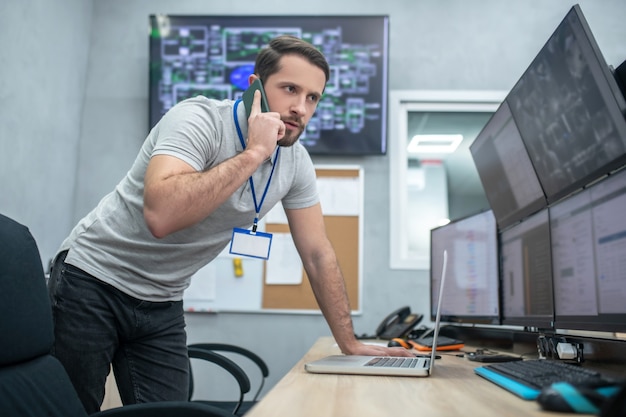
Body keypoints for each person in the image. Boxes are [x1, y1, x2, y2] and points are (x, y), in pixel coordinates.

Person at [48, 35, 413, 413]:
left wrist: (348, 342)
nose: (301, 108)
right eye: (290, 89)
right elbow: (161, 216)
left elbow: (319, 254)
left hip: (162, 299)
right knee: (72, 411)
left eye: (312, 98)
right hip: (92, 279)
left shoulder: (295, 163)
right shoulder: (198, 119)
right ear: (255, 86)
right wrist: (254, 152)